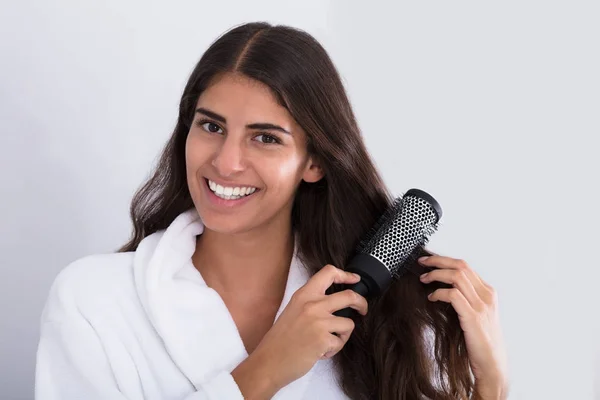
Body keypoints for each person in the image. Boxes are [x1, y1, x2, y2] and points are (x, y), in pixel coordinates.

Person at [35, 22, 509, 400]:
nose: (226, 161)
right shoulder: (94, 302)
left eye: (265, 137)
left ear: (315, 161)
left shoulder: (393, 318)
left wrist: (490, 386)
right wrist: (262, 374)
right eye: (211, 126)